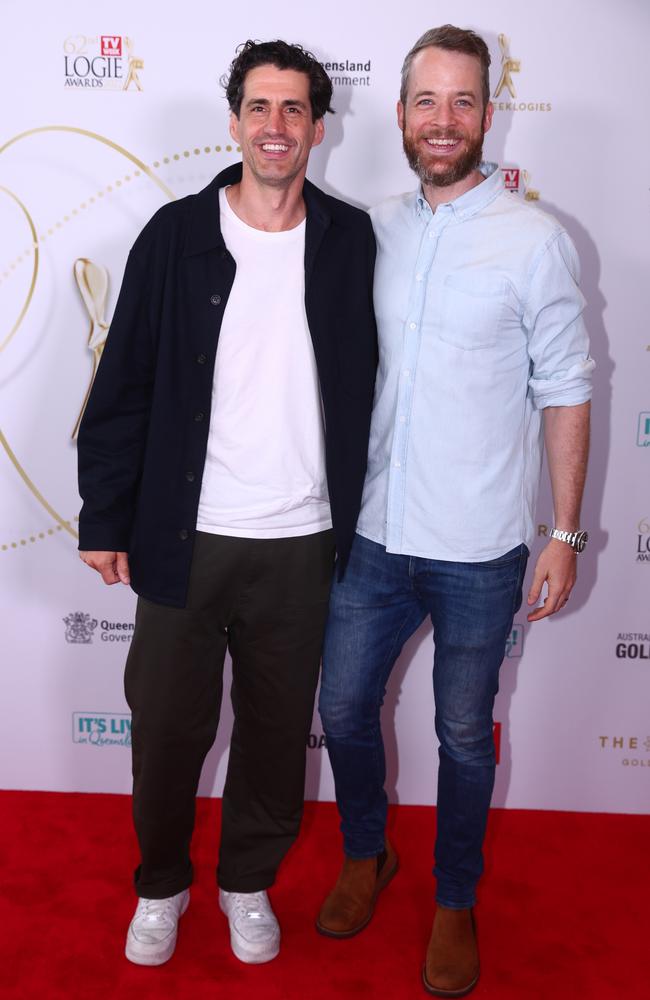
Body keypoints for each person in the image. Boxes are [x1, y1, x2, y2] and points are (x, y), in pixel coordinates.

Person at [77, 39, 376, 968]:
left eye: (293, 111)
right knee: (166, 732)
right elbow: (121, 382)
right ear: (236, 120)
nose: (275, 127)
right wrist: (103, 516)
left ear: (319, 128)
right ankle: (160, 886)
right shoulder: (174, 234)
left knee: (278, 734)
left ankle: (246, 882)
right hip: (183, 535)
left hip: (301, 540)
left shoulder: (350, 238)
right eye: (259, 107)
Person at [316, 24, 593, 997]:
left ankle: (453, 897)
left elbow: (564, 388)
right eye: (425, 101)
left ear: (487, 112)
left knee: (464, 735)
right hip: (370, 537)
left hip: (478, 547)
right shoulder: (364, 233)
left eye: (461, 101)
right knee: (342, 708)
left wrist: (561, 533)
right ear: (397, 115)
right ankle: (365, 851)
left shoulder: (534, 239)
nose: (442, 120)